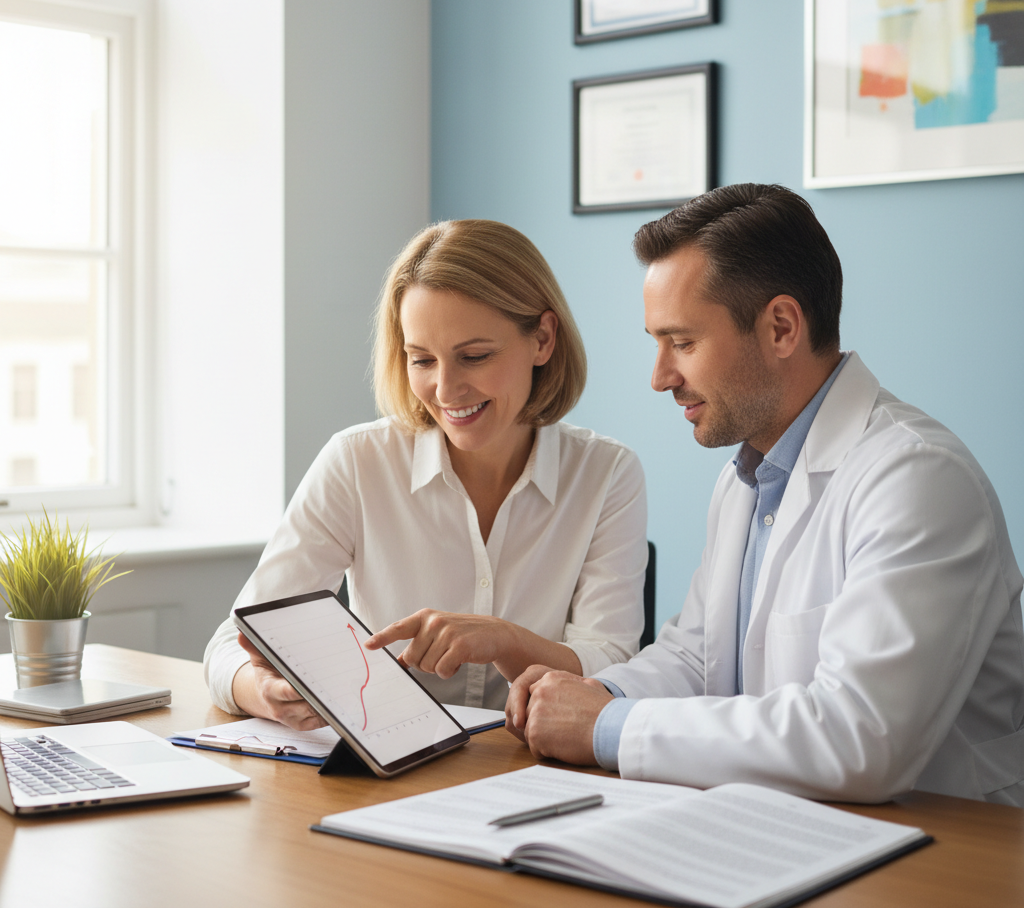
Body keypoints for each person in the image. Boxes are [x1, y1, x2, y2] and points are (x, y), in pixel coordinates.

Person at [507, 183, 1024, 806]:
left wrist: (605, 728)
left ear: (781, 327)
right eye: (657, 343)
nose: (660, 377)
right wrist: (596, 696)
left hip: (941, 858)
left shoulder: (918, 479)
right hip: (790, 830)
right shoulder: (747, 477)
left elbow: (859, 740)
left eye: (683, 342)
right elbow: (700, 662)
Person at [205, 219, 647, 726]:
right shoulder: (357, 462)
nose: (445, 389)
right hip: (390, 773)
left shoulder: (607, 474)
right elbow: (231, 645)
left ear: (543, 339)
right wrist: (264, 691)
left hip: (533, 768)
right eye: (422, 360)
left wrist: (505, 639)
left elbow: (612, 667)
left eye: (474, 356)